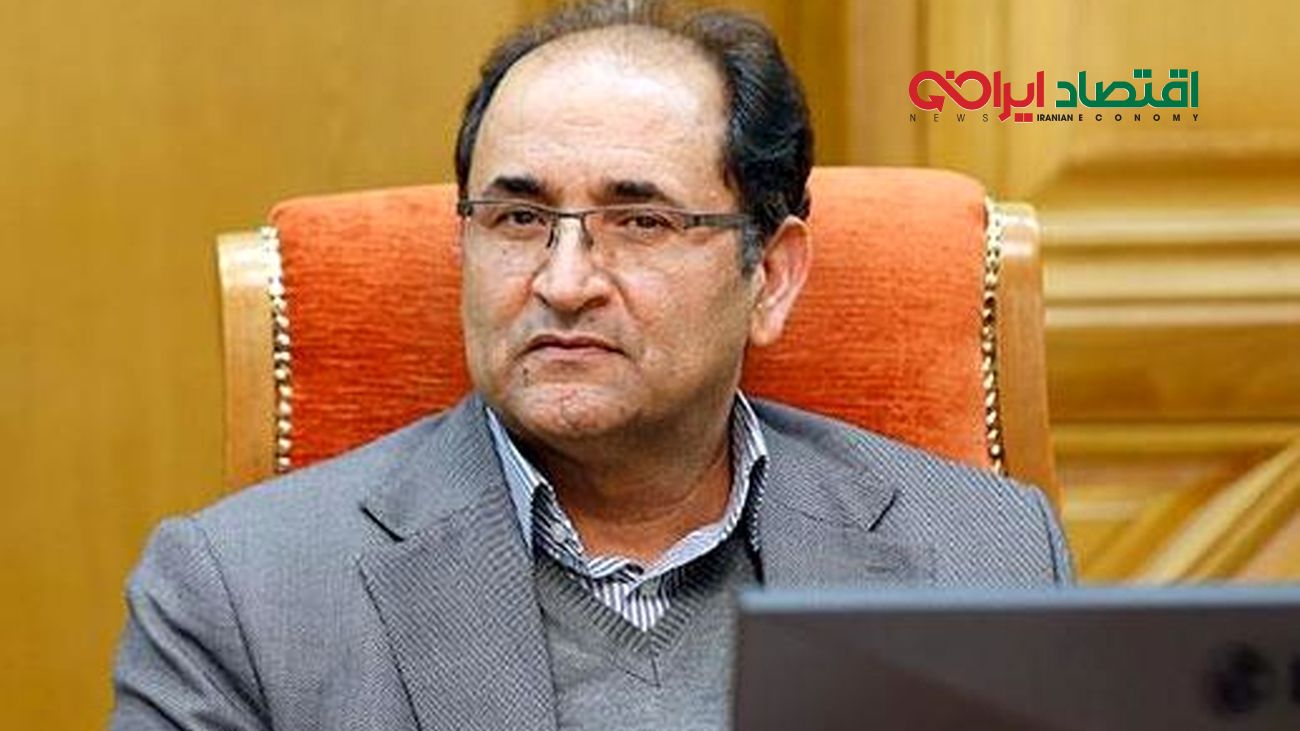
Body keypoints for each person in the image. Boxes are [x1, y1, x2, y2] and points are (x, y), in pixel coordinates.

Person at [110, 1, 1073, 729]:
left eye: (640, 221)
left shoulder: (985, 556)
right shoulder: (241, 594)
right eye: (518, 218)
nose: (564, 282)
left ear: (771, 277)